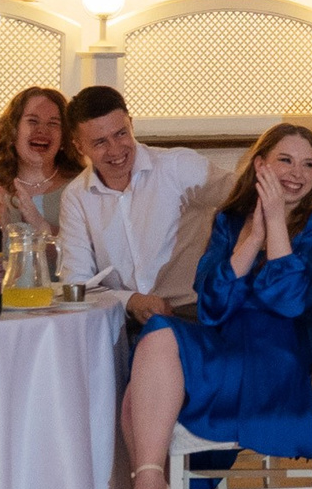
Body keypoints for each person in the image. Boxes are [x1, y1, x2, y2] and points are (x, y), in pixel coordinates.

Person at [105, 124, 312, 489]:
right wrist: (251, 234)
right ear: (260, 166)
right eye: (285, 161)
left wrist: (275, 221)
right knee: (156, 336)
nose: (297, 174)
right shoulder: (228, 221)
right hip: (226, 345)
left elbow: (291, 301)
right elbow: (212, 302)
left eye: (308, 165)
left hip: (278, 361)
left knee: (143, 388)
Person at [55, 85, 216, 328]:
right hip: (119, 322)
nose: (115, 150)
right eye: (100, 142)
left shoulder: (178, 167)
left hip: (192, 313)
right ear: (79, 146)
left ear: (131, 123)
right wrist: (130, 300)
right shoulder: (76, 197)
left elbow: (246, 197)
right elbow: (77, 284)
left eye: (121, 134)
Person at [0, 86, 83, 237]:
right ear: (12, 131)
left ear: (64, 136)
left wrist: (39, 224)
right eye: (33, 121)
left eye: (53, 123)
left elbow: (88, 255)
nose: (42, 131)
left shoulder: (81, 188)